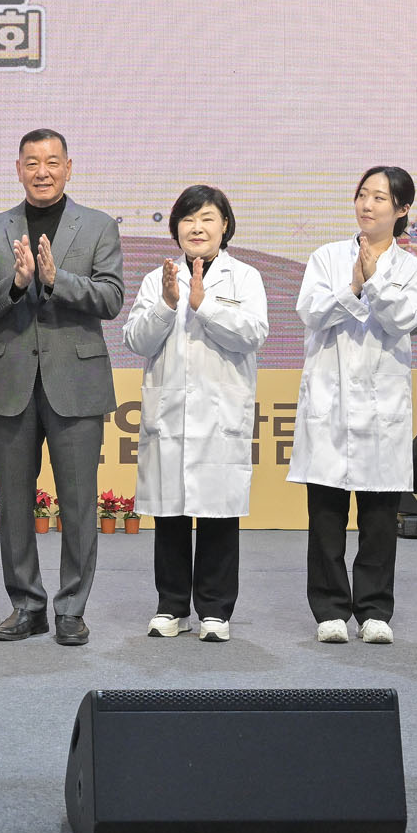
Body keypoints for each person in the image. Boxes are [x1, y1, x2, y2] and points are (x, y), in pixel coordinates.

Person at [0, 129, 125, 647]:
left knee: (78, 502)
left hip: (76, 380)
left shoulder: (98, 225)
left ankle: (72, 608)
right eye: (32, 162)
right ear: (18, 169)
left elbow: (111, 298)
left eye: (52, 161)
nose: (42, 171)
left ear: (68, 167)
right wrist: (15, 285)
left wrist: (57, 280)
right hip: (11, 380)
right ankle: (26, 605)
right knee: (14, 502)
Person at [290, 166, 417, 645]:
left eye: (380, 198)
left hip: (382, 409)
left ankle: (373, 610)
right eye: (362, 195)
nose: (367, 205)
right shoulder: (327, 257)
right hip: (329, 403)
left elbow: (402, 320)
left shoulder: (414, 269)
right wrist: (352, 286)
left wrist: (375, 282)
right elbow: (310, 313)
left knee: (378, 518)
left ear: (402, 209)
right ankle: (329, 608)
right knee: (326, 515)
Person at [124, 185, 269, 643]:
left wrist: (203, 306)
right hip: (170, 416)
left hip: (221, 416)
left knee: (218, 515)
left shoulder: (244, 277)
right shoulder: (158, 279)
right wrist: (168, 305)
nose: (197, 227)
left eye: (207, 218)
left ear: (225, 225)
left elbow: (253, 334)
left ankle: (215, 610)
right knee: (170, 516)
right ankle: (171, 606)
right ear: (176, 228)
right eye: (188, 219)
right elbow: (136, 340)